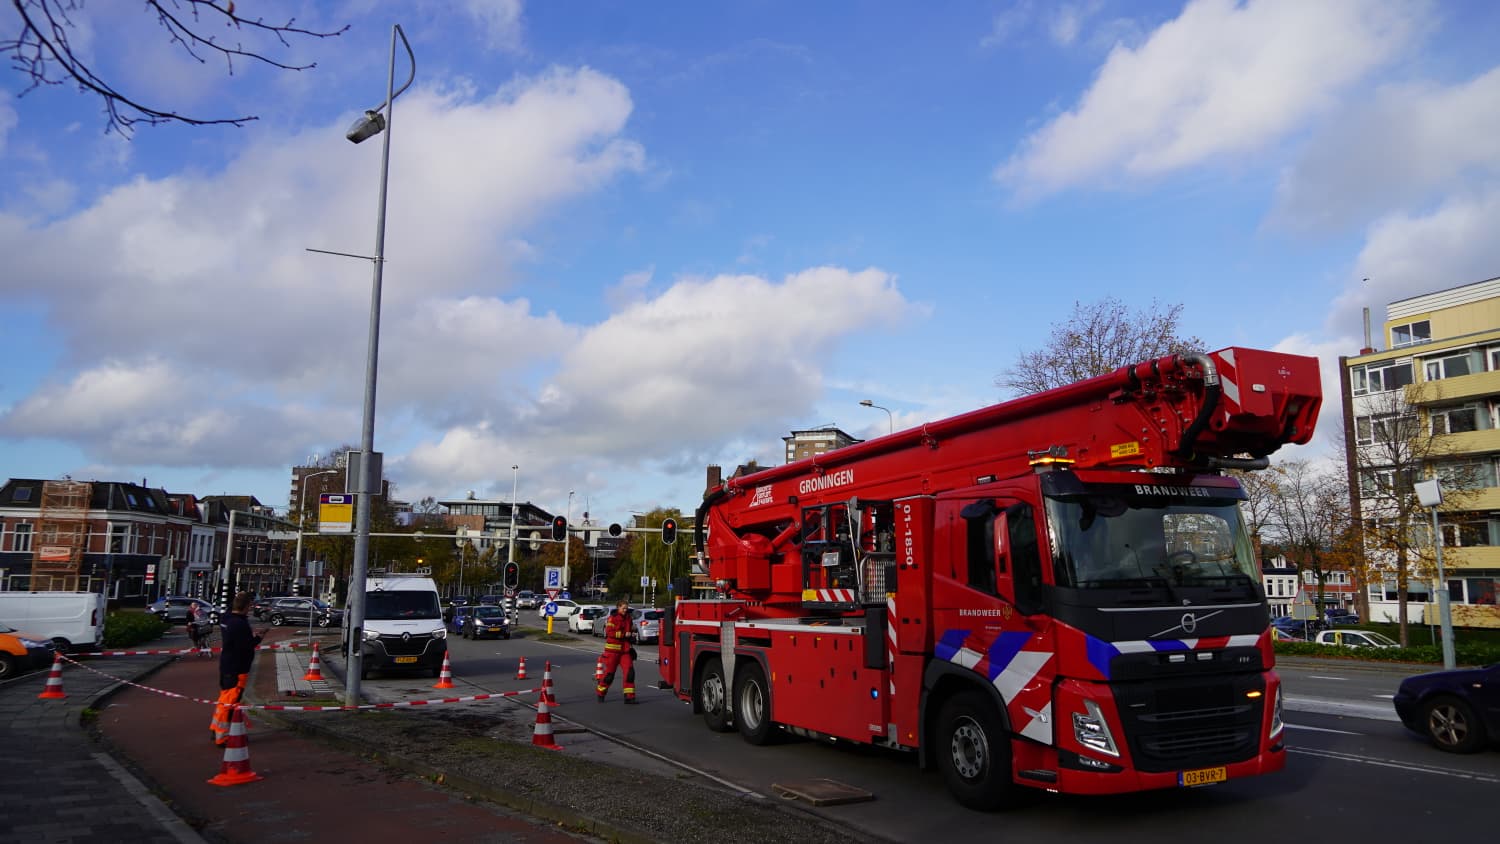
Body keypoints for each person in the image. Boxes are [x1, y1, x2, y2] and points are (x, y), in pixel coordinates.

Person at [210, 592, 265, 746]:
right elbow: (246, 646)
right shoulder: (239, 624)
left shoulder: (226, 619)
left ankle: (215, 729)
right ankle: (223, 736)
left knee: (224, 699)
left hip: (226, 665)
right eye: (249, 607)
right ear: (246, 607)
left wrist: (238, 597)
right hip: (237, 668)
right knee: (231, 702)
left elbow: (231, 609)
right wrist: (259, 637)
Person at [596, 597, 637, 704]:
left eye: (626, 608)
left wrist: (632, 635)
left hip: (625, 650)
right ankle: (601, 692)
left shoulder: (628, 618)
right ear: (618, 607)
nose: (625, 610)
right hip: (613, 651)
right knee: (609, 675)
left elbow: (630, 630)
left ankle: (629, 697)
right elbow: (609, 633)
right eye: (623, 608)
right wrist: (624, 635)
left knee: (630, 673)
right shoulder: (612, 618)